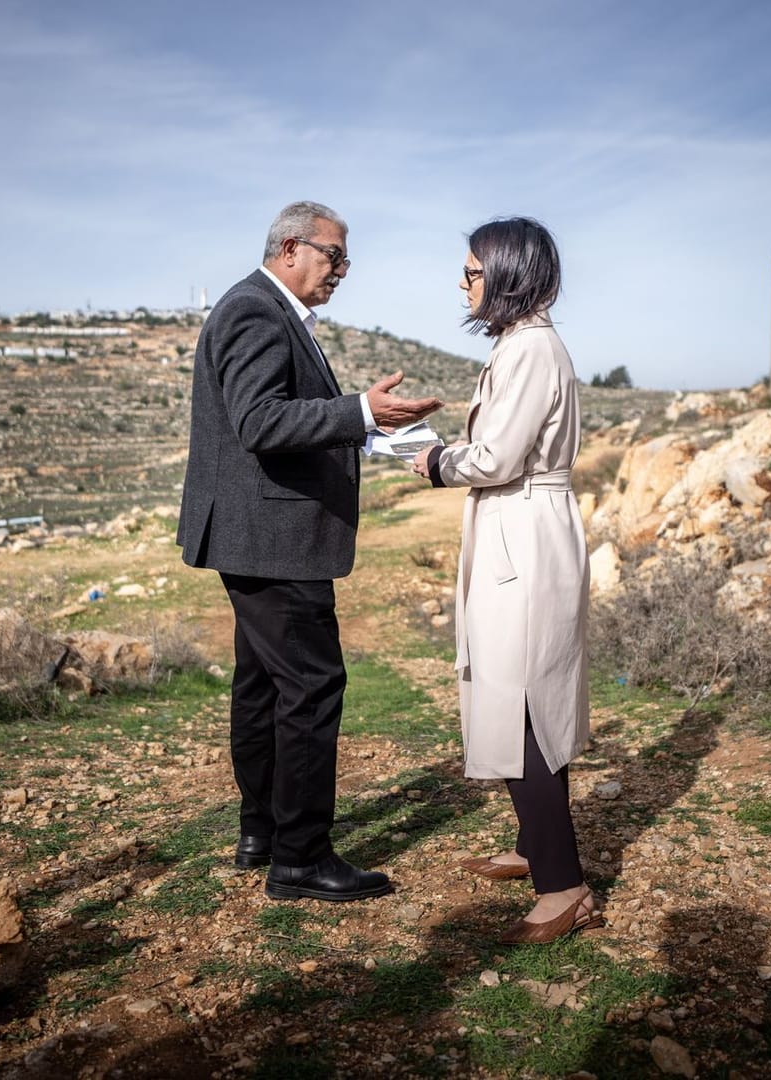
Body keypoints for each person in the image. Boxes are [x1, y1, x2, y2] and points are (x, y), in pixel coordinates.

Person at [179, 200, 442, 902]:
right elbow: (260, 422)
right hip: (275, 539)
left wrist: (373, 428)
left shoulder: (269, 310)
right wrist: (358, 410)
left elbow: (285, 420)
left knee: (263, 686)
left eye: (345, 259)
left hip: (262, 536)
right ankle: (299, 858)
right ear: (291, 247)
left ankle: (262, 831)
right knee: (311, 686)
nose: (343, 271)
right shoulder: (256, 311)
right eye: (335, 256)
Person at [410, 217, 600, 944]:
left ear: (507, 273)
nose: (462, 285)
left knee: (523, 699)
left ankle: (565, 886)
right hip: (518, 527)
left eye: (471, 271)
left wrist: (434, 462)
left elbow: (495, 460)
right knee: (517, 685)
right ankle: (535, 845)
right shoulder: (525, 348)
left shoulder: (530, 351)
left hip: (523, 529)